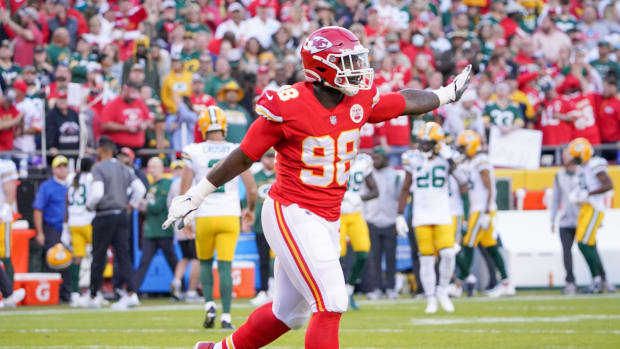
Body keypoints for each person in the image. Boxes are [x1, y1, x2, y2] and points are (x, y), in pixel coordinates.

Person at [164, 27, 470, 349]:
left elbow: (403, 101)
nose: (357, 69)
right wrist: (196, 194)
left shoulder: (358, 100)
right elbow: (244, 156)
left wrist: (447, 94)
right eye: (347, 62)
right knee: (332, 299)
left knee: (288, 314)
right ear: (322, 68)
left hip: (327, 216)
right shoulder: (289, 105)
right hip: (291, 210)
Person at [180, 106, 257, 329]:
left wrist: (185, 217)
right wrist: (249, 209)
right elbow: (251, 189)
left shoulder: (193, 150)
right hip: (229, 214)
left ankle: (209, 305)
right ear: (224, 126)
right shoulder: (235, 149)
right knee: (225, 265)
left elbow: (185, 189)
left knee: (204, 262)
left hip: (204, 215)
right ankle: (227, 317)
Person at [397, 122, 457, 313]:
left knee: (448, 254)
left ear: (438, 143)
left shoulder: (447, 158)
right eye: (422, 142)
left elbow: (462, 179)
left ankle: (442, 290)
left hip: (442, 213)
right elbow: (405, 187)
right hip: (421, 215)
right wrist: (399, 214)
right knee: (426, 259)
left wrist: (449, 158)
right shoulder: (412, 158)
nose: (424, 146)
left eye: (428, 142)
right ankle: (430, 297)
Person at [85, 136, 146, 309]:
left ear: (102, 150)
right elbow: (140, 189)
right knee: (123, 255)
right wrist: (131, 205)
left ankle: (93, 294)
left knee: (98, 255)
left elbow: (97, 193)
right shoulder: (124, 168)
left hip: (104, 214)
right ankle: (131, 293)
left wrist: (89, 207)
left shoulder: (98, 168)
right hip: (121, 215)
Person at [456, 130, 515, 298]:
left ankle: (460, 283)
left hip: (482, 209)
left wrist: (487, 211)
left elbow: (489, 187)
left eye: (463, 147)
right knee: (491, 246)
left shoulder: (481, 161)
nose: (461, 150)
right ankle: (506, 282)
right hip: (478, 208)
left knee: (468, 244)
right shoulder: (469, 162)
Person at [566, 138, 615, 294]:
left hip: (594, 207)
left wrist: (587, 194)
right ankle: (602, 279)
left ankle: (597, 280)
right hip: (586, 207)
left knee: (584, 243)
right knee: (587, 243)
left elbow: (608, 185)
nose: (576, 160)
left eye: (578, 156)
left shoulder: (595, 163)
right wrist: (579, 194)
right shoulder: (585, 166)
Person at [339, 152, 377, 309]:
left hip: (355, 214)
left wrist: (359, 197)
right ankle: (337, 293)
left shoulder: (363, 162)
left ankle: (350, 289)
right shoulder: (331, 158)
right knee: (337, 256)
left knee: (363, 253)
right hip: (336, 215)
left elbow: (375, 190)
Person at [32, 155, 72, 302]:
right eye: (59, 166)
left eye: (64, 166)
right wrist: (40, 232)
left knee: (69, 261)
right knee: (54, 261)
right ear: (54, 169)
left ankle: (67, 294)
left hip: (69, 228)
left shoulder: (71, 185)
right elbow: (38, 209)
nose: (62, 169)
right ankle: (53, 294)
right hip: (53, 228)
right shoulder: (47, 187)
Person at [135, 157, 177, 293]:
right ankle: (133, 291)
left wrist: (144, 204)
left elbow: (158, 206)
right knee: (144, 263)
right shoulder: (152, 186)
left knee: (173, 262)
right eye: (149, 167)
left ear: (160, 168)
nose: (150, 170)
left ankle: (182, 288)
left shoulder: (166, 183)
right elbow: (148, 207)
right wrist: (142, 207)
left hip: (163, 230)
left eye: (153, 167)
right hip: (151, 231)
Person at [168, 160, 201, 302]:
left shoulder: (174, 184)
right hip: (192, 225)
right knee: (197, 258)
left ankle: (176, 282)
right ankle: (192, 291)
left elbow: (169, 204)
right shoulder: (196, 183)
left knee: (185, 257)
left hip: (179, 227)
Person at [64, 157, 95, 306]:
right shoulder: (90, 177)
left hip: (73, 222)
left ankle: (75, 293)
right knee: (98, 255)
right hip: (87, 220)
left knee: (77, 258)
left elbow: (67, 200)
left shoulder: (71, 177)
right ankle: (93, 292)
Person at [550, 149, 580, 295]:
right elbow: (555, 199)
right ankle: (570, 281)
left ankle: (599, 277)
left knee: (589, 249)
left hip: (582, 219)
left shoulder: (583, 172)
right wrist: (552, 219)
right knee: (566, 251)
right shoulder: (559, 175)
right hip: (566, 220)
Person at [250, 149, 277, 307]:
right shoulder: (256, 176)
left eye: (273, 157)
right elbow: (249, 197)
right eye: (268, 156)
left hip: (278, 223)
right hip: (261, 223)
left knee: (280, 258)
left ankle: (277, 290)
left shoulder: (280, 174)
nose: (271, 160)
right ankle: (264, 290)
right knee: (263, 258)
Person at [0, 158, 26, 308]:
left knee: (4, 255)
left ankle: (9, 294)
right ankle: (9, 294)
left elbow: (10, 190)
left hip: (2, 218)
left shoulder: (4, 165)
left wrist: (5, 211)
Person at [100, 81, 152, 149]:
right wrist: (126, 128)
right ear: (125, 89)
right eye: (132, 91)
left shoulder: (139, 102)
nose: (133, 98)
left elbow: (148, 119)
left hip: (138, 147)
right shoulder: (113, 104)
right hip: (118, 146)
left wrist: (143, 125)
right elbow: (105, 124)